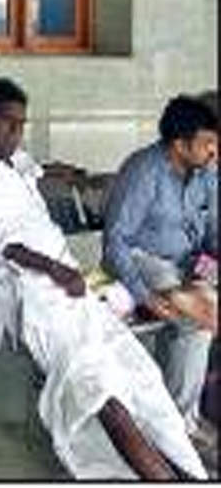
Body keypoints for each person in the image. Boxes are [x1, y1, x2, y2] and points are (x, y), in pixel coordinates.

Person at [0, 78, 205, 479]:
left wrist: (74, 175)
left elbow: (33, 171)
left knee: (139, 372)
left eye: (21, 125)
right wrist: (56, 270)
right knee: (98, 385)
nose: (15, 134)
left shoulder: (9, 160)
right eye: (7, 123)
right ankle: (161, 478)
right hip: (30, 291)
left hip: (71, 286)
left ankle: (192, 471)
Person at [103, 95, 218, 448]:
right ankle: (178, 425)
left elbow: (214, 232)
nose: (215, 151)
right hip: (141, 260)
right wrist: (145, 295)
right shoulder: (144, 171)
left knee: (200, 304)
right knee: (198, 318)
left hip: (186, 265)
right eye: (207, 144)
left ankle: (169, 417)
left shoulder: (207, 175)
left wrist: (209, 267)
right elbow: (116, 242)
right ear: (180, 145)